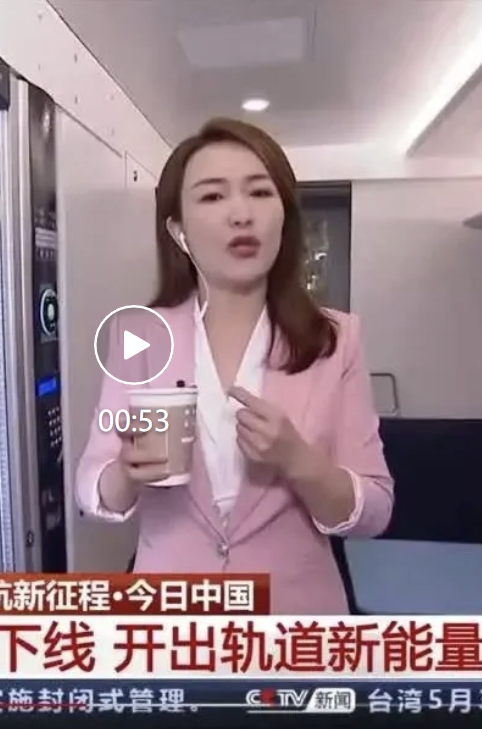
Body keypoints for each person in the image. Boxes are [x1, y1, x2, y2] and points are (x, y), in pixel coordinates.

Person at [75, 118, 394, 614]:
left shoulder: (337, 339)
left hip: (294, 620)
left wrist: (299, 461)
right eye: (212, 196)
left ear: (284, 215)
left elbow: (375, 510)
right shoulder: (138, 334)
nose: (241, 214)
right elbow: (91, 487)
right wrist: (125, 474)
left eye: (260, 193)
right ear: (179, 231)